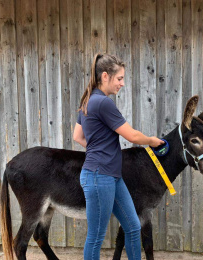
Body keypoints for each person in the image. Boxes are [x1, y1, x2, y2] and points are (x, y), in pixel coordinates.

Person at [73, 53, 164, 260]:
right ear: (105, 76)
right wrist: (152, 141)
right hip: (99, 177)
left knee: (132, 226)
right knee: (96, 237)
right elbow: (131, 135)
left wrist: (99, 148)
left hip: (111, 176)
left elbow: (77, 136)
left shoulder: (88, 100)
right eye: (119, 78)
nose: (122, 84)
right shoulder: (103, 103)